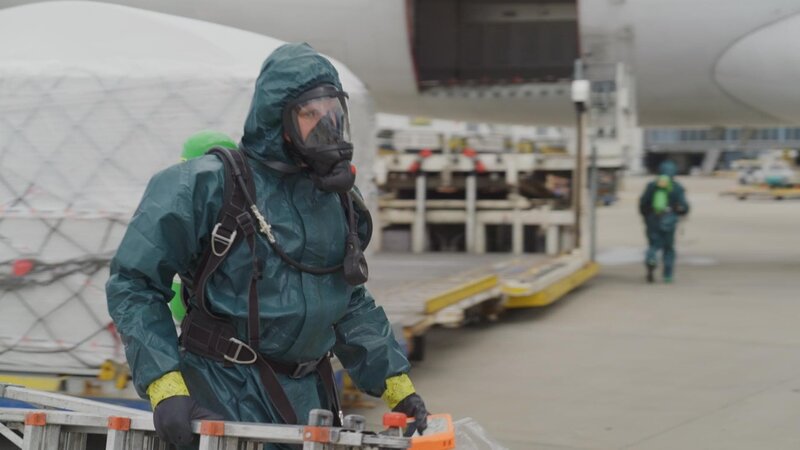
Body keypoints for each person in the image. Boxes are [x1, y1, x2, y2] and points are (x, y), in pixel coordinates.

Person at [106, 43, 428, 449]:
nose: (324, 124)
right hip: (223, 395)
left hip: (309, 400)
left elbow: (347, 301)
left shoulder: (334, 200)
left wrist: (397, 385)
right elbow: (134, 284)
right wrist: (166, 387)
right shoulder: (205, 186)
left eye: (331, 112)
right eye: (310, 113)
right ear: (278, 117)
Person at [639, 159, 690, 283]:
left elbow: (643, 203)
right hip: (669, 220)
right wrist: (680, 213)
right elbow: (685, 206)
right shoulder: (677, 187)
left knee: (653, 245)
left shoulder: (652, 185)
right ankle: (667, 275)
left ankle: (651, 260)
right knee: (668, 248)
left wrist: (646, 216)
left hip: (652, 219)